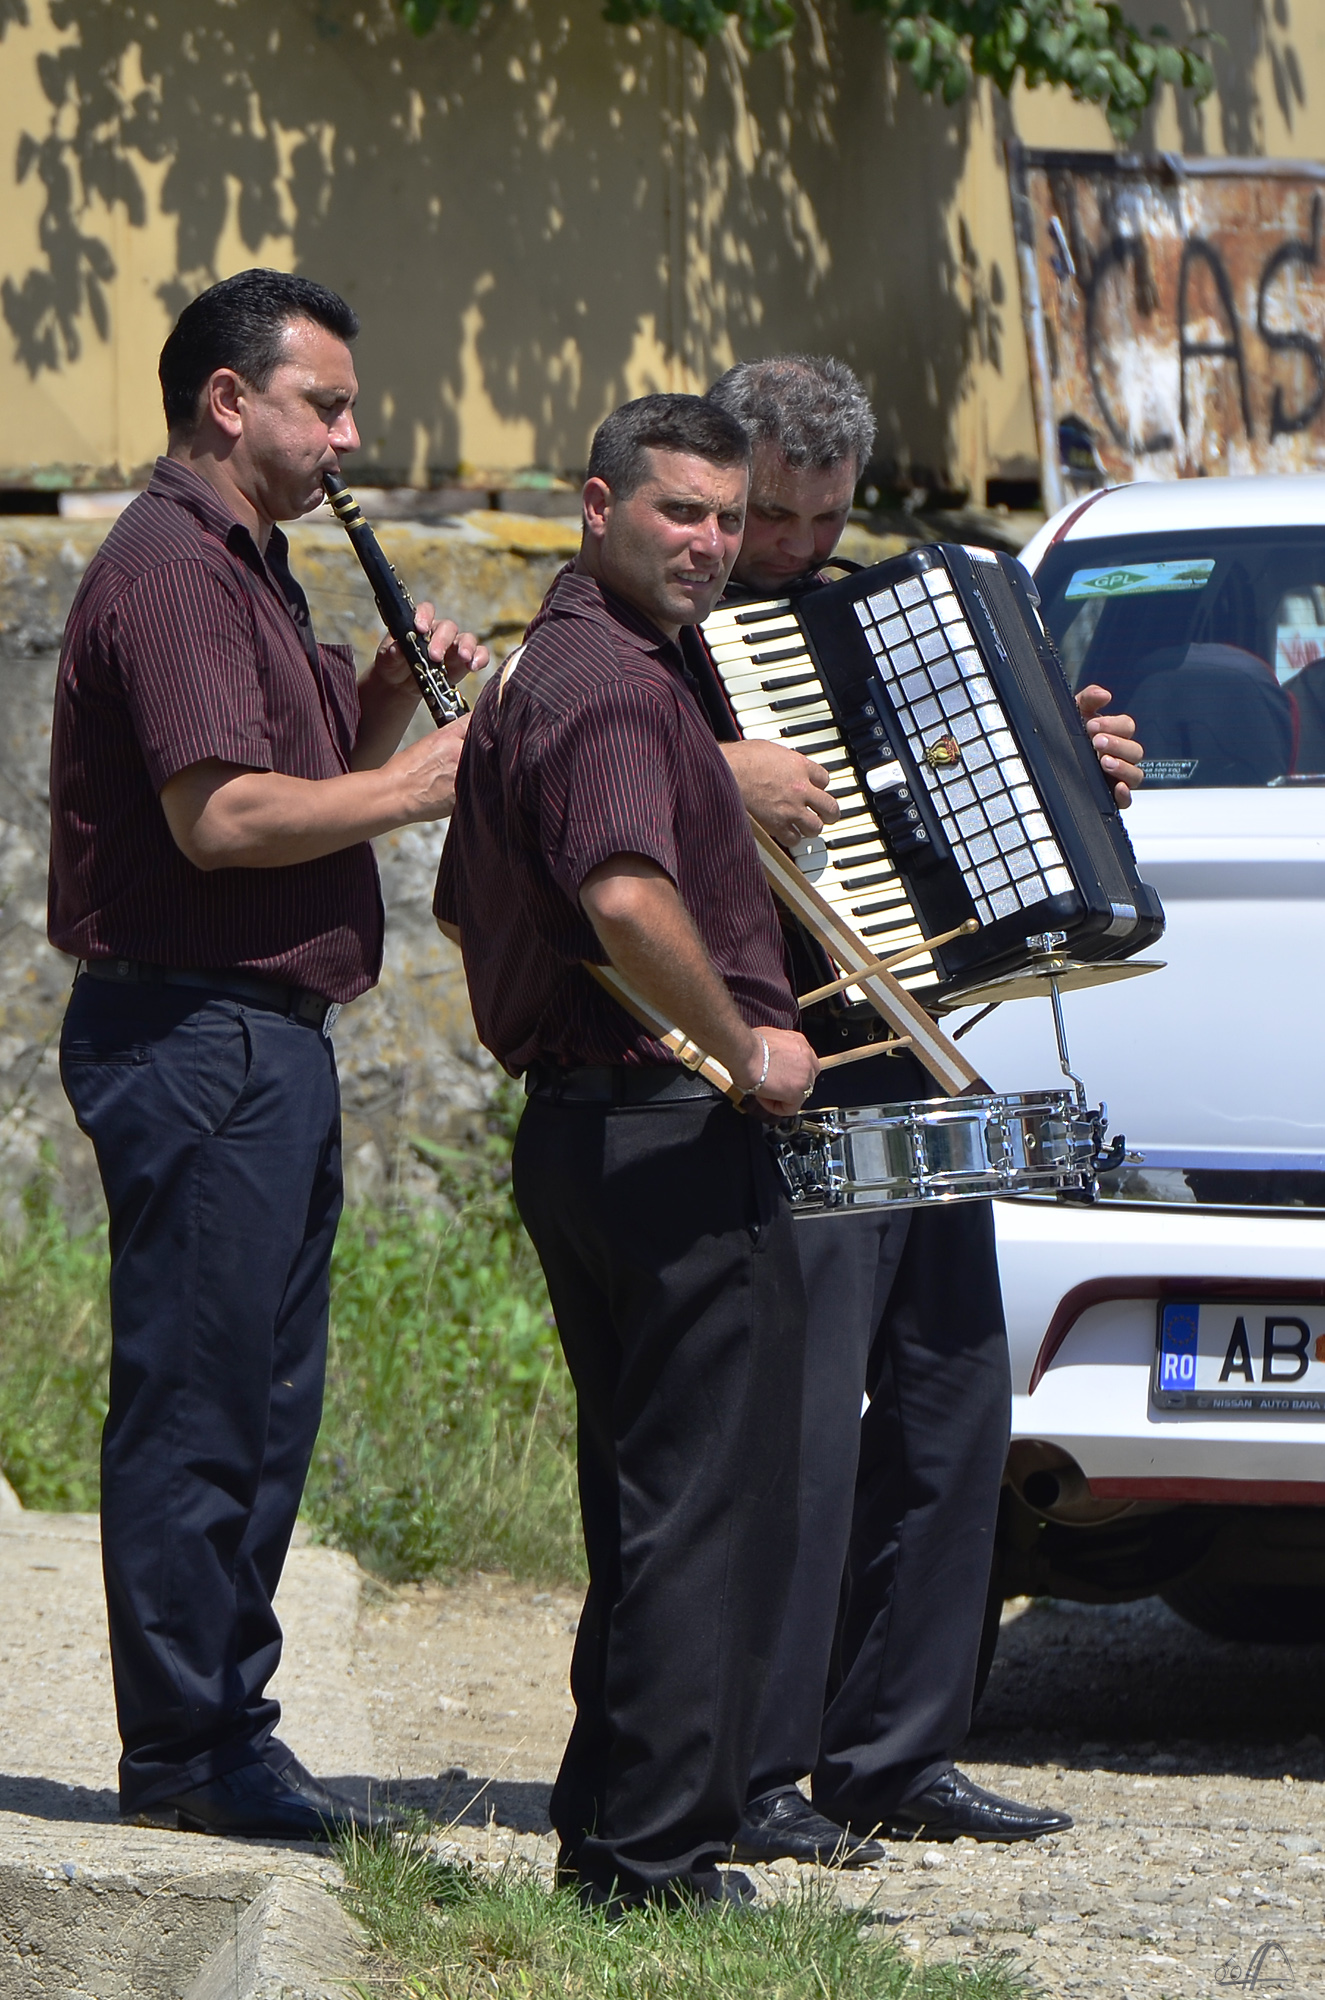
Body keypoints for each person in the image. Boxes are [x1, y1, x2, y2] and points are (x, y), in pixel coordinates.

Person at [687, 355, 1144, 1863]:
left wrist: (1072, 777)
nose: (797, 554)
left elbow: (961, 833)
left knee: (954, 1401)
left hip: (916, 1057)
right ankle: (749, 1772)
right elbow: (562, 786)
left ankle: (897, 1751)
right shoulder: (659, 632)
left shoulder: (890, 616)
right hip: (774, 1065)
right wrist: (713, 771)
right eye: (773, 522)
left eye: (822, 522)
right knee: (802, 1433)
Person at [48, 268, 485, 1840]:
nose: (348, 436)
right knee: (198, 1405)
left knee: (262, 1398)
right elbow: (218, 820)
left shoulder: (259, 571)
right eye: (326, 405)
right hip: (196, 1030)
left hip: (254, 1033)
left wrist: (370, 715)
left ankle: (229, 1728)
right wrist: (421, 780)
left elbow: (288, 797)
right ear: (229, 402)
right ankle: (186, 1754)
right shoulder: (173, 568)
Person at [434, 394, 820, 1911]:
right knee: (690, 1506)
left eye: (728, 518)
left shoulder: (562, 667)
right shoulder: (604, 683)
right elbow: (618, 896)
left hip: (595, 1128)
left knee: (644, 1497)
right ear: (598, 506)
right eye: (680, 511)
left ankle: (606, 1830)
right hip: (658, 1136)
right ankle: (652, 1866)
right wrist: (745, 1046)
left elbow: (475, 906)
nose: (712, 544)